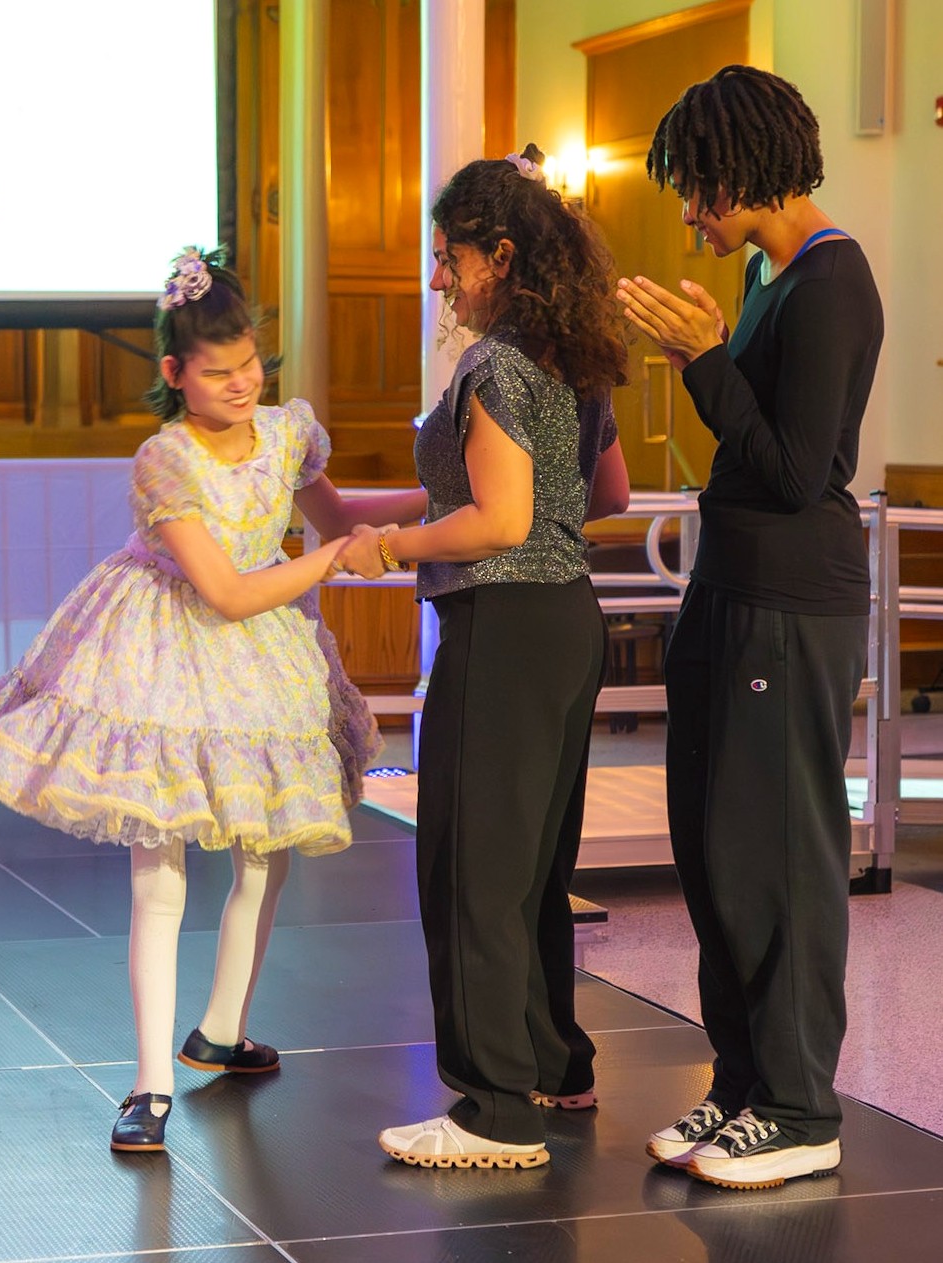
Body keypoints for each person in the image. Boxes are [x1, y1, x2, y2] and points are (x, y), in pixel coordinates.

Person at [0, 247, 426, 1153]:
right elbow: (227, 591)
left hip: (268, 659)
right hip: (169, 653)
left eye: (250, 364)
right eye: (218, 372)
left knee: (264, 852)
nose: (242, 383)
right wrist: (336, 559)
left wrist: (443, 500)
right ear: (175, 374)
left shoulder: (287, 433)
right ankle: (149, 1083)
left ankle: (222, 1028)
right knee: (158, 865)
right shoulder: (166, 461)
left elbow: (334, 514)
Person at [615, 65, 884, 1189]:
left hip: (788, 604)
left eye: (695, 190)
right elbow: (749, 441)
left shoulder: (830, 280)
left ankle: (800, 1107)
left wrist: (699, 361)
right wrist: (710, 359)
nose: (687, 213)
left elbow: (791, 471)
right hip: (728, 596)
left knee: (779, 863)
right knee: (719, 858)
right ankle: (741, 1086)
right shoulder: (773, 275)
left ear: (746, 169)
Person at [339, 146, 631, 1170]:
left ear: (498, 256)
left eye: (446, 258)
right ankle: (554, 1064)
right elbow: (606, 499)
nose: (436, 278)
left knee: (471, 867)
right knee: (532, 866)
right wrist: (340, 511)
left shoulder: (494, 364)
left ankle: (494, 1110)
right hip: (564, 622)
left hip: (504, 627)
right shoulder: (568, 359)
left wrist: (396, 547)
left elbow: (495, 519)